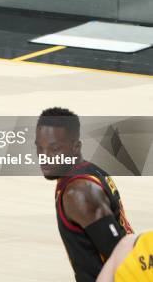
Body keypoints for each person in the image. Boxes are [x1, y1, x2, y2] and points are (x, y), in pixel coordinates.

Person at [35, 107, 133, 281]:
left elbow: (122, 257)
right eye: (40, 148)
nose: (45, 157)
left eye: (54, 149)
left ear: (76, 147)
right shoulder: (89, 171)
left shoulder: (78, 192)